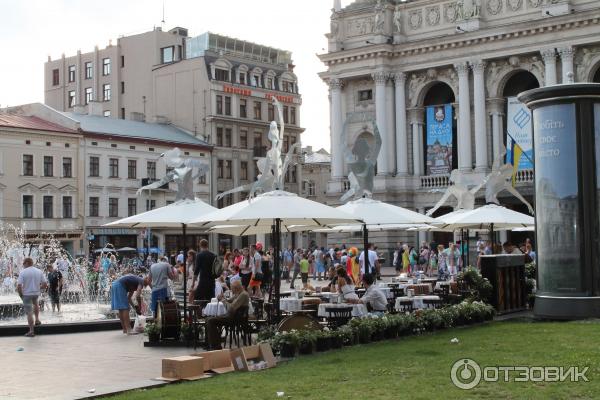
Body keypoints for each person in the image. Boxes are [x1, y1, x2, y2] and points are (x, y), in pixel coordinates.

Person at [206, 280, 250, 350]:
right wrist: (223, 298)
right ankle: (214, 342)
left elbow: (231, 308)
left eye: (232, 289)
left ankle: (215, 345)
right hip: (231, 316)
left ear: (236, 288)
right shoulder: (238, 293)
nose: (231, 290)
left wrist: (223, 300)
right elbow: (229, 301)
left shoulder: (243, 295)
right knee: (208, 319)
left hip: (234, 318)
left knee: (211, 321)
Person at [17, 257, 47, 337]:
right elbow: (45, 285)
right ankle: (37, 320)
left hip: (26, 294)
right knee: (36, 304)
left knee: (29, 312)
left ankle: (31, 331)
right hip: (36, 293)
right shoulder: (39, 271)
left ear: (26, 263)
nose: (23, 265)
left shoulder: (23, 272)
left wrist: (21, 295)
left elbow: (19, 286)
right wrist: (37, 287)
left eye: (23, 263)